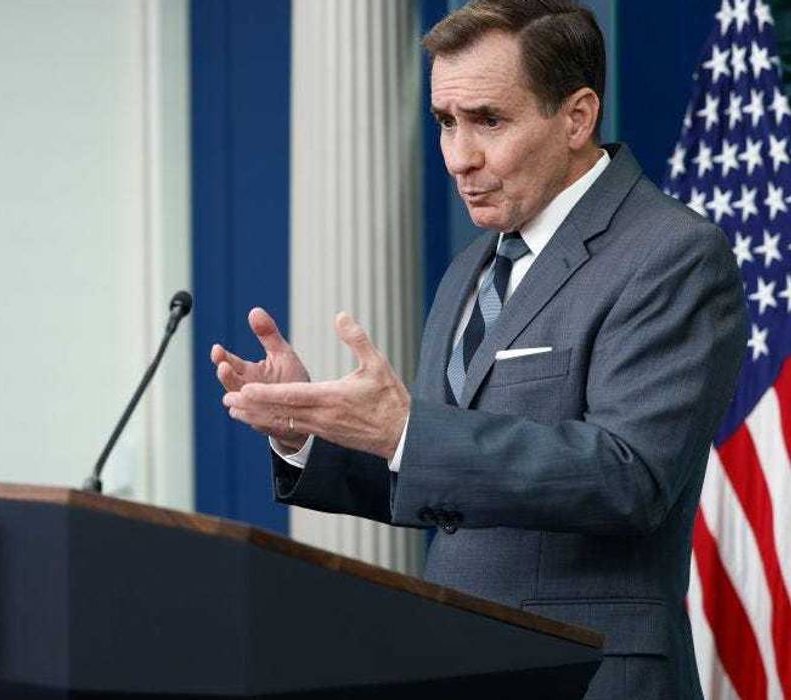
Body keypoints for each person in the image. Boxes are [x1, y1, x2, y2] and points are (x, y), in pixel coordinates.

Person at [212, 2, 745, 698]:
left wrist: (407, 431)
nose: (460, 157)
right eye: (445, 122)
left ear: (576, 117)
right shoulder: (470, 269)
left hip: (591, 674)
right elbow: (447, 483)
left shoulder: (670, 253)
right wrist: (312, 433)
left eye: (488, 120)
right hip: (458, 664)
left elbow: (630, 477)